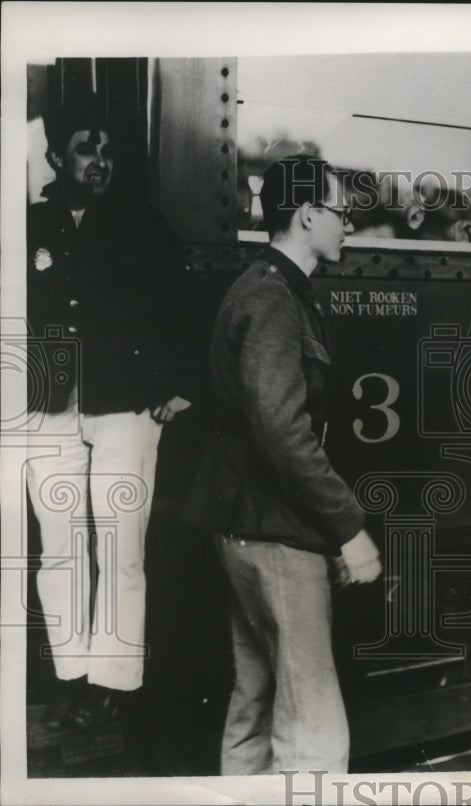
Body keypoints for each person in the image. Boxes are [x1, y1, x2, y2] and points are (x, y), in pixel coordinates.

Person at [184, 155, 382, 775]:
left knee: (256, 698)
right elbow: (282, 432)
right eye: (343, 213)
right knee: (313, 722)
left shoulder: (264, 287)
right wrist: (350, 530)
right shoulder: (274, 300)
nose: (349, 226)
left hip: (246, 523)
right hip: (275, 531)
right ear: (306, 214)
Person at [25, 94, 194, 729]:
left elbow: (183, 309)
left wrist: (180, 387)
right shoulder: (29, 227)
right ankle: (70, 673)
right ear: (54, 157)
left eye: (107, 149)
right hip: (48, 411)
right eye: (84, 148)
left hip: (126, 409)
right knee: (59, 549)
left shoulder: (141, 225)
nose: (99, 160)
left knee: (120, 546)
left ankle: (113, 681)